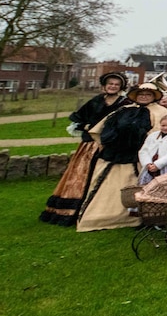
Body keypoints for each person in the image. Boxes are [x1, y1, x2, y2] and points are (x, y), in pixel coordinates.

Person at [77, 83, 167, 232]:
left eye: (148, 94)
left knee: (135, 185)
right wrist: (113, 141)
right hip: (114, 154)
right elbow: (103, 129)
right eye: (141, 94)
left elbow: (162, 135)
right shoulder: (123, 110)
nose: (144, 96)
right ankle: (100, 217)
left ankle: (135, 217)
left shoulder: (160, 112)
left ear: (154, 96)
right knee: (108, 185)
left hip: (140, 156)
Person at [40, 72, 130, 226]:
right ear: (104, 85)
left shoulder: (125, 103)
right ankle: (73, 210)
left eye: (116, 84)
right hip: (89, 146)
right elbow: (78, 122)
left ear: (121, 87)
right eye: (110, 84)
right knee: (81, 176)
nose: (113, 86)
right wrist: (87, 126)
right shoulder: (95, 101)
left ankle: (98, 210)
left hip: (111, 145)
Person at [137, 113, 167, 186]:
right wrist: (147, 163)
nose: (165, 128)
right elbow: (144, 150)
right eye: (163, 125)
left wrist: (158, 164)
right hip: (150, 167)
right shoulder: (153, 135)